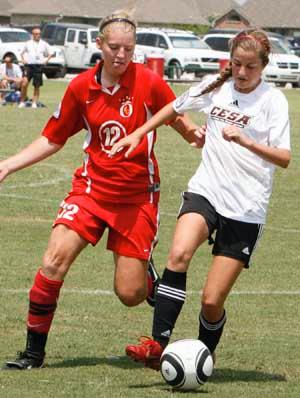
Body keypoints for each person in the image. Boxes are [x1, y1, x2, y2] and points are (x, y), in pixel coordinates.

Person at [1, 10, 203, 370]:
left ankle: (146, 276)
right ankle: (33, 353)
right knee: (53, 260)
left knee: (129, 294)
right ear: (99, 45)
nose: (122, 55)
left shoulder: (149, 81)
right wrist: (7, 165)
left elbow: (177, 118)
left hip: (137, 196)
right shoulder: (81, 87)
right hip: (91, 190)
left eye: (129, 48)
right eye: (114, 47)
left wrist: (196, 135)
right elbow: (52, 138)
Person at [109, 29, 291, 370]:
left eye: (250, 67)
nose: (241, 72)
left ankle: (202, 357)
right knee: (178, 255)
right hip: (206, 190)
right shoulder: (215, 86)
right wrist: (137, 133)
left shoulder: (273, 101)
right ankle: (156, 344)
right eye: (237, 64)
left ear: (263, 66)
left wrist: (247, 141)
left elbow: (284, 158)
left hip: (246, 207)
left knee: (211, 300)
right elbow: (171, 108)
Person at [19, 27, 53, 109]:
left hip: (38, 66)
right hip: (28, 66)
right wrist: (23, 60)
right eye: (36, 34)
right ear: (33, 35)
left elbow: (51, 53)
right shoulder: (28, 43)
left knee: (36, 85)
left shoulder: (44, 44)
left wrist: (46, 61)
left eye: (39, 34)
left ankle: (34, 103)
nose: (38, 35)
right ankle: (22, 101)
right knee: (24, 83)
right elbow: (21, 53)